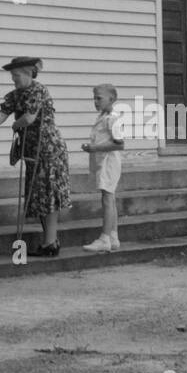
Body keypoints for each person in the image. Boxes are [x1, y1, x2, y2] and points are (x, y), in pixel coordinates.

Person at [0, 56, 70, 257]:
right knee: (38, 195)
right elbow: (1, 114)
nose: (13, 79)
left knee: (48, 195)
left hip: (49, 151)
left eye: (16, 75)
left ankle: (50, 243)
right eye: (12, 76)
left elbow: (29, 117)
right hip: (33, 151)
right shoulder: (15, 95)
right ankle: (49, 242)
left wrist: (16, 125)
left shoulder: (38, 90)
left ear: (27, 73)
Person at [80, 83, 125, 251]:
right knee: (109, 198)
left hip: (108, 162)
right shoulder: (103, 117)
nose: (95, 102)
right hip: (103, 162)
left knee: (107, 199)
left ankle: (104, 238)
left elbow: (120, 145)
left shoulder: (112, 118)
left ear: (112, 99)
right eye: (94, 98)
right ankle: (113, 236)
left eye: (99, 98)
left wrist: (95, 148)